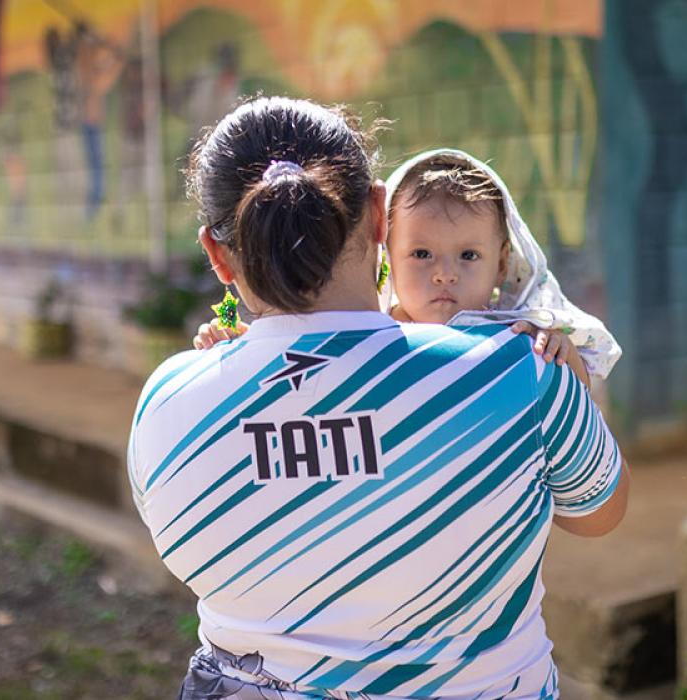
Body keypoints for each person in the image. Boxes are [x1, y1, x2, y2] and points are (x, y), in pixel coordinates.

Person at [127, 97, 630, 700]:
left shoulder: (165, 405)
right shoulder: (527, 369)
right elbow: (600, 514)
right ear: (377, 215)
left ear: (216, 254)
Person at [195, 148, 622, 389]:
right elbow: (305, 366)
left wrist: (566, 360)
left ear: (503, 264)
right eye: (421, 255)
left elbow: (577, 399)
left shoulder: (518, 338)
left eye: (468, 256)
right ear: (386, 254)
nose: (444, 273)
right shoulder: (370, 333)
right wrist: (243, 344)